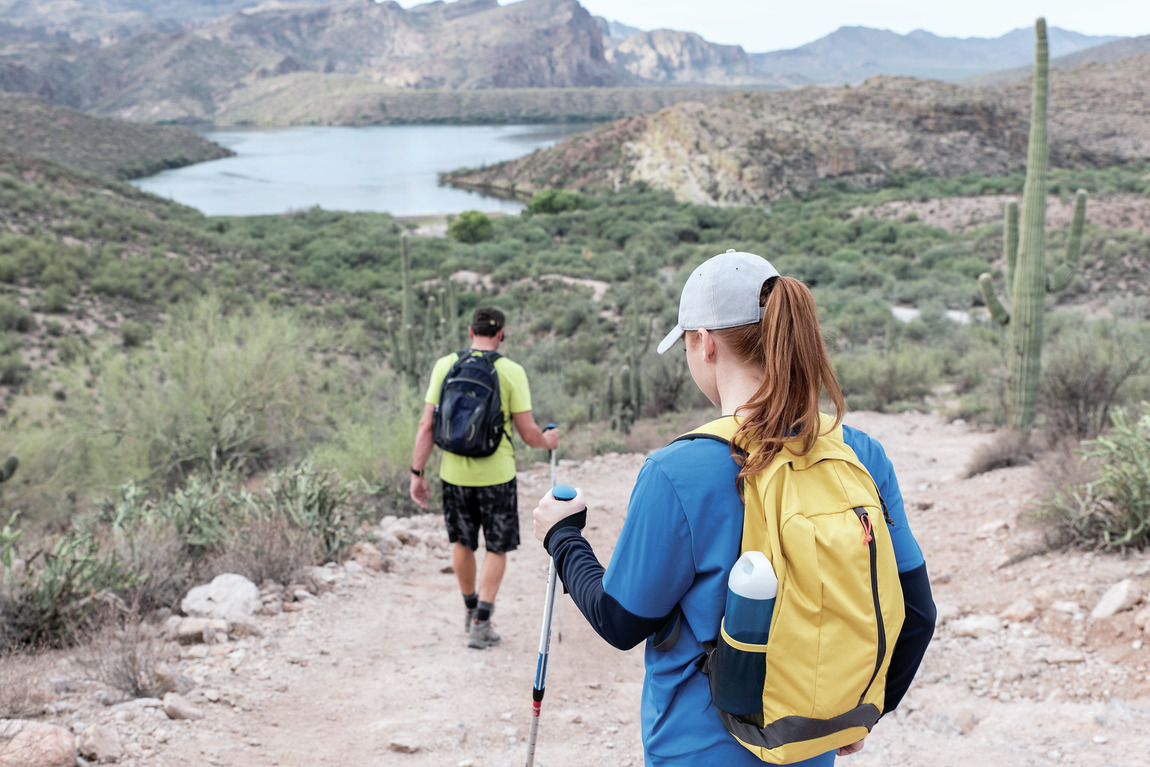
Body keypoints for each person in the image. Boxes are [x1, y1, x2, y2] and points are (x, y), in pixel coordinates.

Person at [532, 251, 936, 765]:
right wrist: (859, 714)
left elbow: (620, 620)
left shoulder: (677, 471)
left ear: (705, 343)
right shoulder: (858, 453)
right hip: (805, 745)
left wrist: (562, 539)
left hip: (695, 750)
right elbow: (918, 612)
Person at [411, 307, 560, 650]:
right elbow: (528, 433)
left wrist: (416, 472)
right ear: (501, 334)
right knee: (496, 547)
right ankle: (482, 620)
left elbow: (426, 426)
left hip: (453, 474)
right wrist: (548, 440)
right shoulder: (510, 371)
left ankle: (468, 608)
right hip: (497, 476)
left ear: (470, 331)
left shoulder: (445, 365)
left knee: (462, 543)